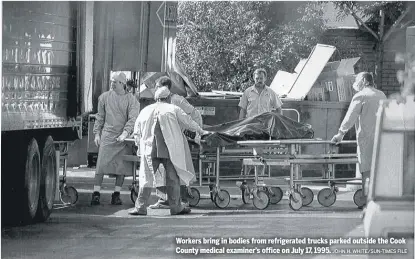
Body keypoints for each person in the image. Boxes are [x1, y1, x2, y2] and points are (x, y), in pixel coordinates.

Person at [128, 86, 209, 216]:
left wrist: (139, 146)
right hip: (169, 150)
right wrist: (201, 131)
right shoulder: (173, 108)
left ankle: (140, 207)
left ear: (156, 98)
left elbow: (136, 130)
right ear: (168, 97)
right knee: (173, 178)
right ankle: (176, 207)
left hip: (150, 148)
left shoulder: (145, 110)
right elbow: (188, 121)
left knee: (146, 177)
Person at [331, 72, 387, 208]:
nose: (355, 83)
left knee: (366, 172)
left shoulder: (361, 95)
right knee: (377, 171)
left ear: (363, 80)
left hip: (367, 139)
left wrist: (340, 134)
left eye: (357, 80)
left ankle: (368, 203)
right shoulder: (382, 95)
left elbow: (351, 116)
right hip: (382, 137)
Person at [149, 76, 203, 209]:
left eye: (157, 87)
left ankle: (182, 199)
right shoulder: (158, 103)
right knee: (162, 170)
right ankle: (163, 200)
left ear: (163, 88)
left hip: (176, 139)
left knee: (179, 169)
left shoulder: (177, 101)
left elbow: (195, 115)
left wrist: (193, 133)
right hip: (161, 140)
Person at [91, 72, 140, 205]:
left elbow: (133, 119)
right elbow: (99, 117)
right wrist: (97, 133)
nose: (112, 83)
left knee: (121, 167)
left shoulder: (131, 100)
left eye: (115, 82)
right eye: (111, 81)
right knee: (100, 166)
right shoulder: (104, 97)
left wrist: (125, 134)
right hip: (107, 136)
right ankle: (96, 193)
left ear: (122, 84)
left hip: (123, 138)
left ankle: (116, 194)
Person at [238, 68, 283, 176]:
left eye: (261, 78)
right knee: (251, 153)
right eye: (257, 78)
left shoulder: (270, 92)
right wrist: (239, 127)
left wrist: (278, 124)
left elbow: (279, 108)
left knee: (260, 153)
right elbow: (242, 110)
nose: (259, 80)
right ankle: (245, 177)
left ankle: (259, 179)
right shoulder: (248, 92)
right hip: (250, 127)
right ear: (254, 78)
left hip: (264, 128)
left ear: (265, 79)